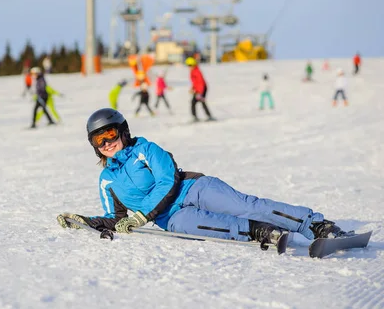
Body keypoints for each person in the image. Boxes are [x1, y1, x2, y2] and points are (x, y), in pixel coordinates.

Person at [57, 108, 349, 246]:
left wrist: (143, 213)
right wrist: (87, 222)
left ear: (123, 131)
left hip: (191, 188)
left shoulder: (145, 149)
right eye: (99, 140)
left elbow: (167, 180)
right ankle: (263, 231)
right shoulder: (106, 180)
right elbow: (116, 216)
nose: (107, 143)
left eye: (110, 134)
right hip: (169, 219)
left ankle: (315, 224)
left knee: (243, 204)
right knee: (205, 226)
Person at [186, 57, 214, 122]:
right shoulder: (193, 71)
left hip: (202, 89)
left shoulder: (197, 71)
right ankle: (195, 117)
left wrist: (200, 93)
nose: (188, 67)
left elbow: (201, 82)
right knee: (194, 102)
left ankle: (208, 116)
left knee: (200, 102)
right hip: (198, 90)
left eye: (190, 65)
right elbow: (195, 82)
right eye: (188, 65)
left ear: (193, 64)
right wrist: (192, 88)